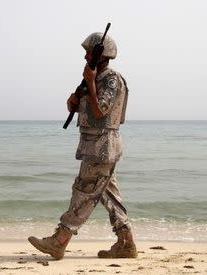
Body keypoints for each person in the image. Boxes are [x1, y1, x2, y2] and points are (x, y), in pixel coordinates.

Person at [28, 32, 137, 260]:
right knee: (109, 195)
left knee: (84, 193)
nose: (86, 55)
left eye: (89, 51)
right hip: (95, 146)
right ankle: (126, 244)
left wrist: (89, 82)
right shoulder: (96, 78)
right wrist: (74, 102)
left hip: (102, 147)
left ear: (102, 54)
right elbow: (85, 110)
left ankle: (60, 240)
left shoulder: (110, 79)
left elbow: (101, 111)